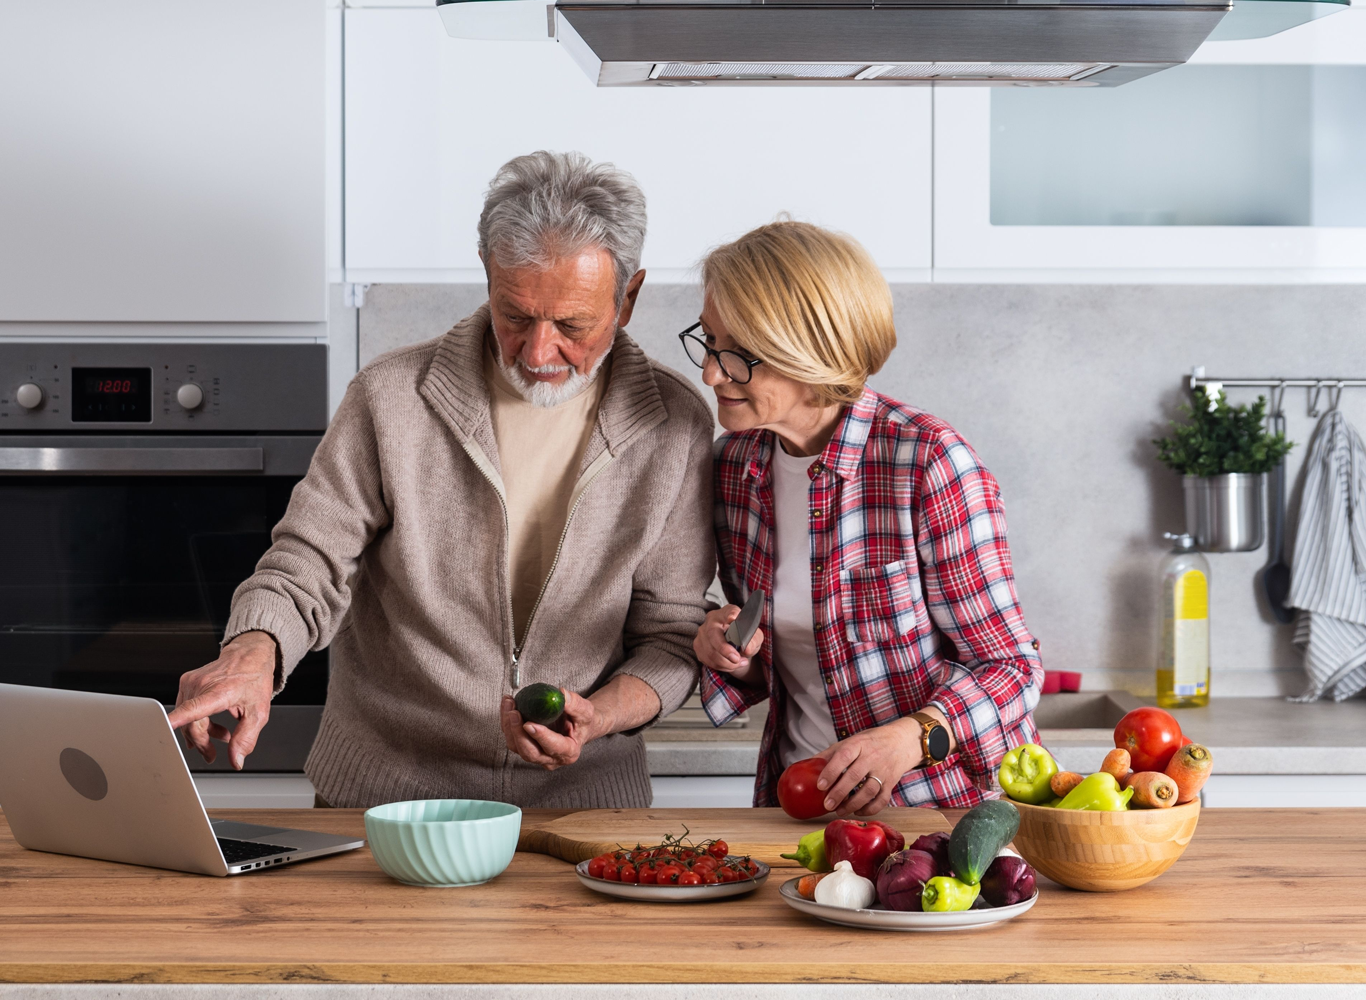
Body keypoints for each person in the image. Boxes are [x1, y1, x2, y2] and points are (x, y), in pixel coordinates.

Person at [167, 151, 715, 809]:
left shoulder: (675, 426)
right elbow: (304, 565)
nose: (539, 354)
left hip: (583, 810)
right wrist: (253, 654)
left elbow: (672, 633)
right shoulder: (391, 398)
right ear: (487, 275)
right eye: (515, 315)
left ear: (627, 298)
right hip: (389, 801)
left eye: (572, 325)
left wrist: (597, 716)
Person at [688, 221, 1042, 815]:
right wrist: (726, 647)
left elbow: (1012, 668)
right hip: (797, 806)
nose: (711, 374)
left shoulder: (927, 463)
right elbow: (795, 658)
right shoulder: (733, 469)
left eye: (739, 356)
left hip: (940, 815)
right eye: (709, 341)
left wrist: (914, 737)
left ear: (812, 356)